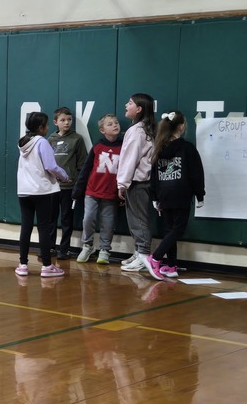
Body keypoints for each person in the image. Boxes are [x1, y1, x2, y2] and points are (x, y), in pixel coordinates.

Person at [145, 111, 205, 280]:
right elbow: (196, 174)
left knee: (169, 230)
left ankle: (171, 266)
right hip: (181, 193)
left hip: (164, 194)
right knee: (178, 229)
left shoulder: (159, 149)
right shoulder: (187, 148)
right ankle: (155, 258)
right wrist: (200, 195)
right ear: (181, 127)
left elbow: (154, 176)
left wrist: (155, 197)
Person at [16, 111, 69, 277]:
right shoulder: (42, 142)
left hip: (24, 191)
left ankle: (22, 264)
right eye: (46, 125)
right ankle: (47, 266)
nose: (47, 128)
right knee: (44, 228)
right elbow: (51, 167)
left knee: (26, 227)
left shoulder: (24, 142)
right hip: (41, 191)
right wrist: (64, 176)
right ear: (41, 127)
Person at [72, 113, 123, 264]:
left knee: (108, 222)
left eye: (116, 122)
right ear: (102, 130)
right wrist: (77, 190)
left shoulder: (124, 146)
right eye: (110, 124)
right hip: (92, 191)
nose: (114, 125)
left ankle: (105, 249)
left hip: (111, 193)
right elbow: (86, 169)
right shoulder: (98, 146)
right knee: (88, 218)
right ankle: (87, 246)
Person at [116, 93, 157, 272]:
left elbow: (130, 158)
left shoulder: (138, 131)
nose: (126, 105)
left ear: (139, 109)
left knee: (139, 220)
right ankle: (139, 252)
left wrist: (122, 183)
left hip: (139, 182)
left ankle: (144, 255)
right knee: (135, 220)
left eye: (130, 103)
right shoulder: (142, 129)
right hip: (139, 181)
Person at [48, 106, 88, 258]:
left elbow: (82, 164)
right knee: (50, 218)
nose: (67, 123)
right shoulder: (50, 139)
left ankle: (64, 249)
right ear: (55, 122)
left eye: (69, 120)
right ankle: (49, 247)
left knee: (66, 219)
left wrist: (76, 181)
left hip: (68, 187)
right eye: (63, 120)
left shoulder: (77, 139)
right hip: (52, 187)